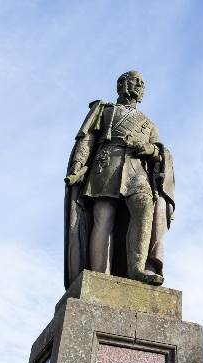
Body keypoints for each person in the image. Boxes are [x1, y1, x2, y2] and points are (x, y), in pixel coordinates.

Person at [64, 70, 175, 288]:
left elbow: (160, 151)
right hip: (106, 164)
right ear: (122, 84)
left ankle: (137, 269)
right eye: (136, 82)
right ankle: (100, 275)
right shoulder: (105, 111)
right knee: (103, 216)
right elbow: (87, 140)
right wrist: (77, 165)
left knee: (144, 210)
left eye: (142, 84)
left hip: (136, 170)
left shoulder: (149, 123)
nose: (140, 86)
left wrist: (149, 149)